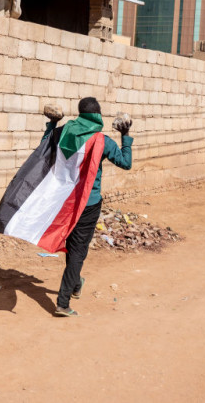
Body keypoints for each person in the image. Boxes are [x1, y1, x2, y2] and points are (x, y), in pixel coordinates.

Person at [44, 97, 133, 317]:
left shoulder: (64, 132)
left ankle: (75, 285)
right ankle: (63, 303)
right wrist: (125, 136)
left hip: (64, 201)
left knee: (73, 245)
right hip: (88, 203)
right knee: (78, 251)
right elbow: (125, 162)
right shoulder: (101, 140)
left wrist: (51, 124)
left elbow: (44, 147)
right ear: (97, 115)